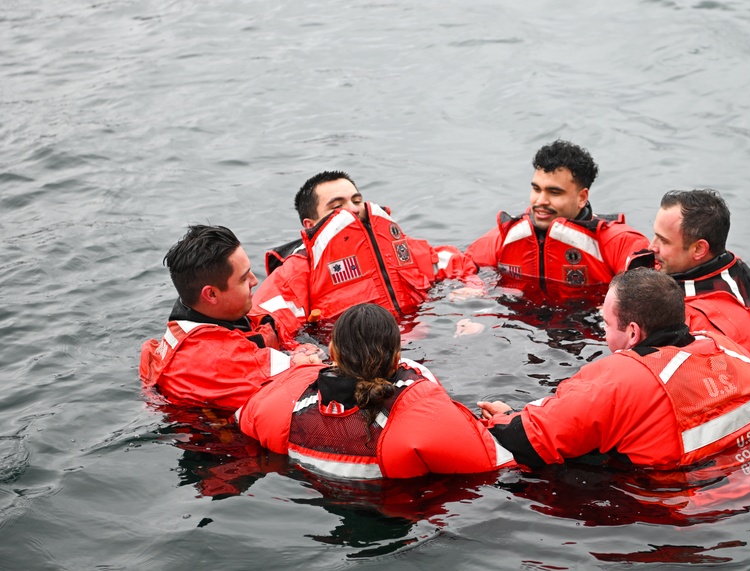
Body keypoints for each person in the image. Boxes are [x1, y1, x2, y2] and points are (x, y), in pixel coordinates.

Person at [478, 268, 750, 470]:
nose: (604, 331)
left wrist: (504, 417)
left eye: (606, 324)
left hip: (676, 511)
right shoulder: (727, 348)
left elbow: (528, 439)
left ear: (633, 334)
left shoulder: (622, 379)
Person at [237, 303, 516, 479]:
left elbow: (242, 417)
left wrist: (300, 369)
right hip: (394, 514)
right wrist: (503, 419)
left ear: (331, 352)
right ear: (396, 360)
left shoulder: (282, 402)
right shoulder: (420, 416)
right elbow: (498, 460)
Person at [250, 171, 479, 346]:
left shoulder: (396, 246)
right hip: (355, 364)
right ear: (310, 225)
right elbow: (265, 325)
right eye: (337, 206)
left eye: (356, 201)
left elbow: (453, 262)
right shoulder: (298, 271)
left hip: (428, 343)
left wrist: (471, 293)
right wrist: (300, 350)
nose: (353, 210)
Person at [139, 225, 319, 411]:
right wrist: (303, 359)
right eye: (243, 279)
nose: (254, 281)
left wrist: (294, 348)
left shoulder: (206, 316)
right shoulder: (214, 359)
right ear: (212, 295)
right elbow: (307, 375)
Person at [465, 140, 649, 294]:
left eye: (554, 192)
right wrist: (473, 291)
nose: (540, 201)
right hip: (517, 330)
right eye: (536, 189)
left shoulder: (619, 243)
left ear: (582, 197)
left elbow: (655, 293)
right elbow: (462, 266)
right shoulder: (504, 238)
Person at [638, 189, 750, 356]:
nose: (652, 247)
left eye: (664, 241)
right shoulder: (714, 262)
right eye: (655, 235)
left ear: (699, 249)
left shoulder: (715, 328)